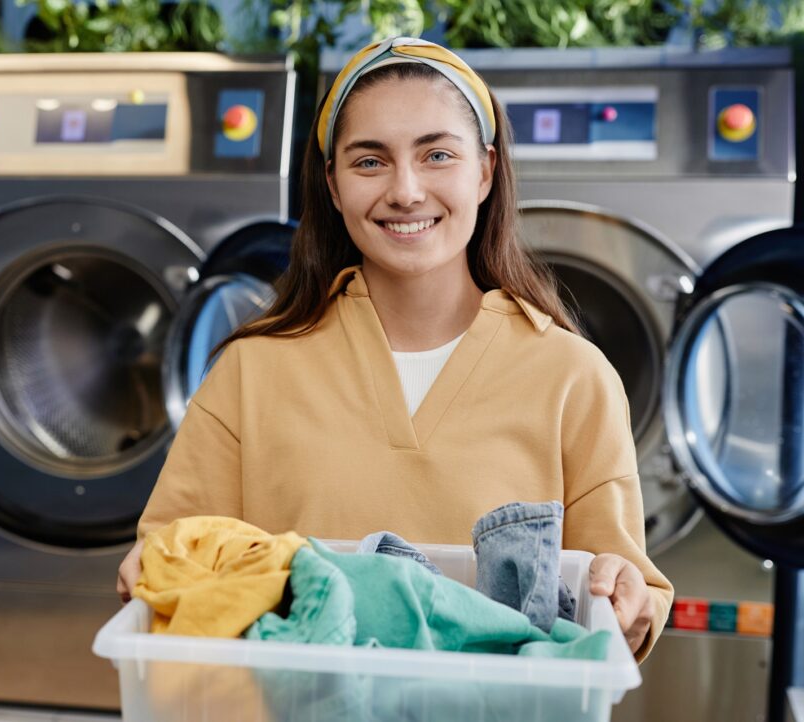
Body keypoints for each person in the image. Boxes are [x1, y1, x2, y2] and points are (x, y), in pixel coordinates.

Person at [117, 36, 673, 660]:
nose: (406, 191)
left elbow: (626, 585)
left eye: (437, 154)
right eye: (370, 161)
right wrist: (152, 570)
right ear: (331, 184)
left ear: (485, 171)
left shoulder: (573, 376)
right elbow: (171, 557)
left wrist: (630, 606)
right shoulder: (251, 371)